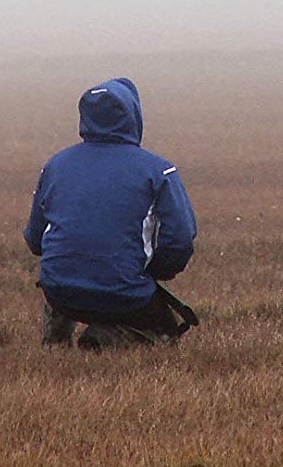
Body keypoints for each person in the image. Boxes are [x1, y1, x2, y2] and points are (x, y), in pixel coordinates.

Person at [24, 77, 199, 348]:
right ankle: (108, 339)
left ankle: (55, 342)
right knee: (164, 333)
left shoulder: (55, 165)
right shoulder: (158, 171)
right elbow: (180, 240)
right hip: (126, 294)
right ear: (134, 115)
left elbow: (35, 240)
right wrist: (155, 272)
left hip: (59, 291)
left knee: (63, 273)